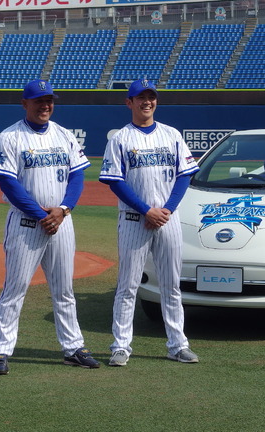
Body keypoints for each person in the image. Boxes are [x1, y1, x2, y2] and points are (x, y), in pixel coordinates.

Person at [0, 79, 99, 374]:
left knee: (64, 289)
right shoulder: (10, 137)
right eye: (39, 100)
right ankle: (0, 349)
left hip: (62, 223)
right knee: (15, 288)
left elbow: (77, 177)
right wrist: (40, 214)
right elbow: (8, 182)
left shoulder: (64, 135)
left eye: (49, 100)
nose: (46, 105)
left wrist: (63, 210)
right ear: (25, 104)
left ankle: (73, 347)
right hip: (25, 224)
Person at [99, 79, 200, 366]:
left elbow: (185, 174)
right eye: (140, 97)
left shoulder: (172, 135)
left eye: (151, 97)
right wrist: (146, 210)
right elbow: (115, 182)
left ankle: (178, 344)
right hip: (133, 220)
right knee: (127, 285)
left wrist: (166, 209)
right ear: (128, 102)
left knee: (171, 284)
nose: (147, 102)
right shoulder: (120, 138)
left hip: (168, 219)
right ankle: (120, 345)